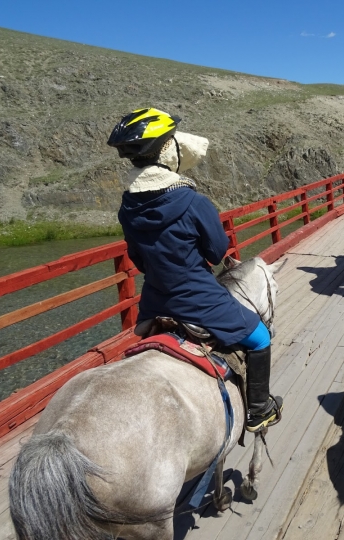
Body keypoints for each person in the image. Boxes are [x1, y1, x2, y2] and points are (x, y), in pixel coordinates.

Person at [108, 107, 283, 432]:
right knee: (259, 338)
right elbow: (217, 253)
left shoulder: (128, 207)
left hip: (154, 304)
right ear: (166, 151)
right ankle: (259, 411)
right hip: (200, 301)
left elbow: (139, 260)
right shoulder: (193, 201)